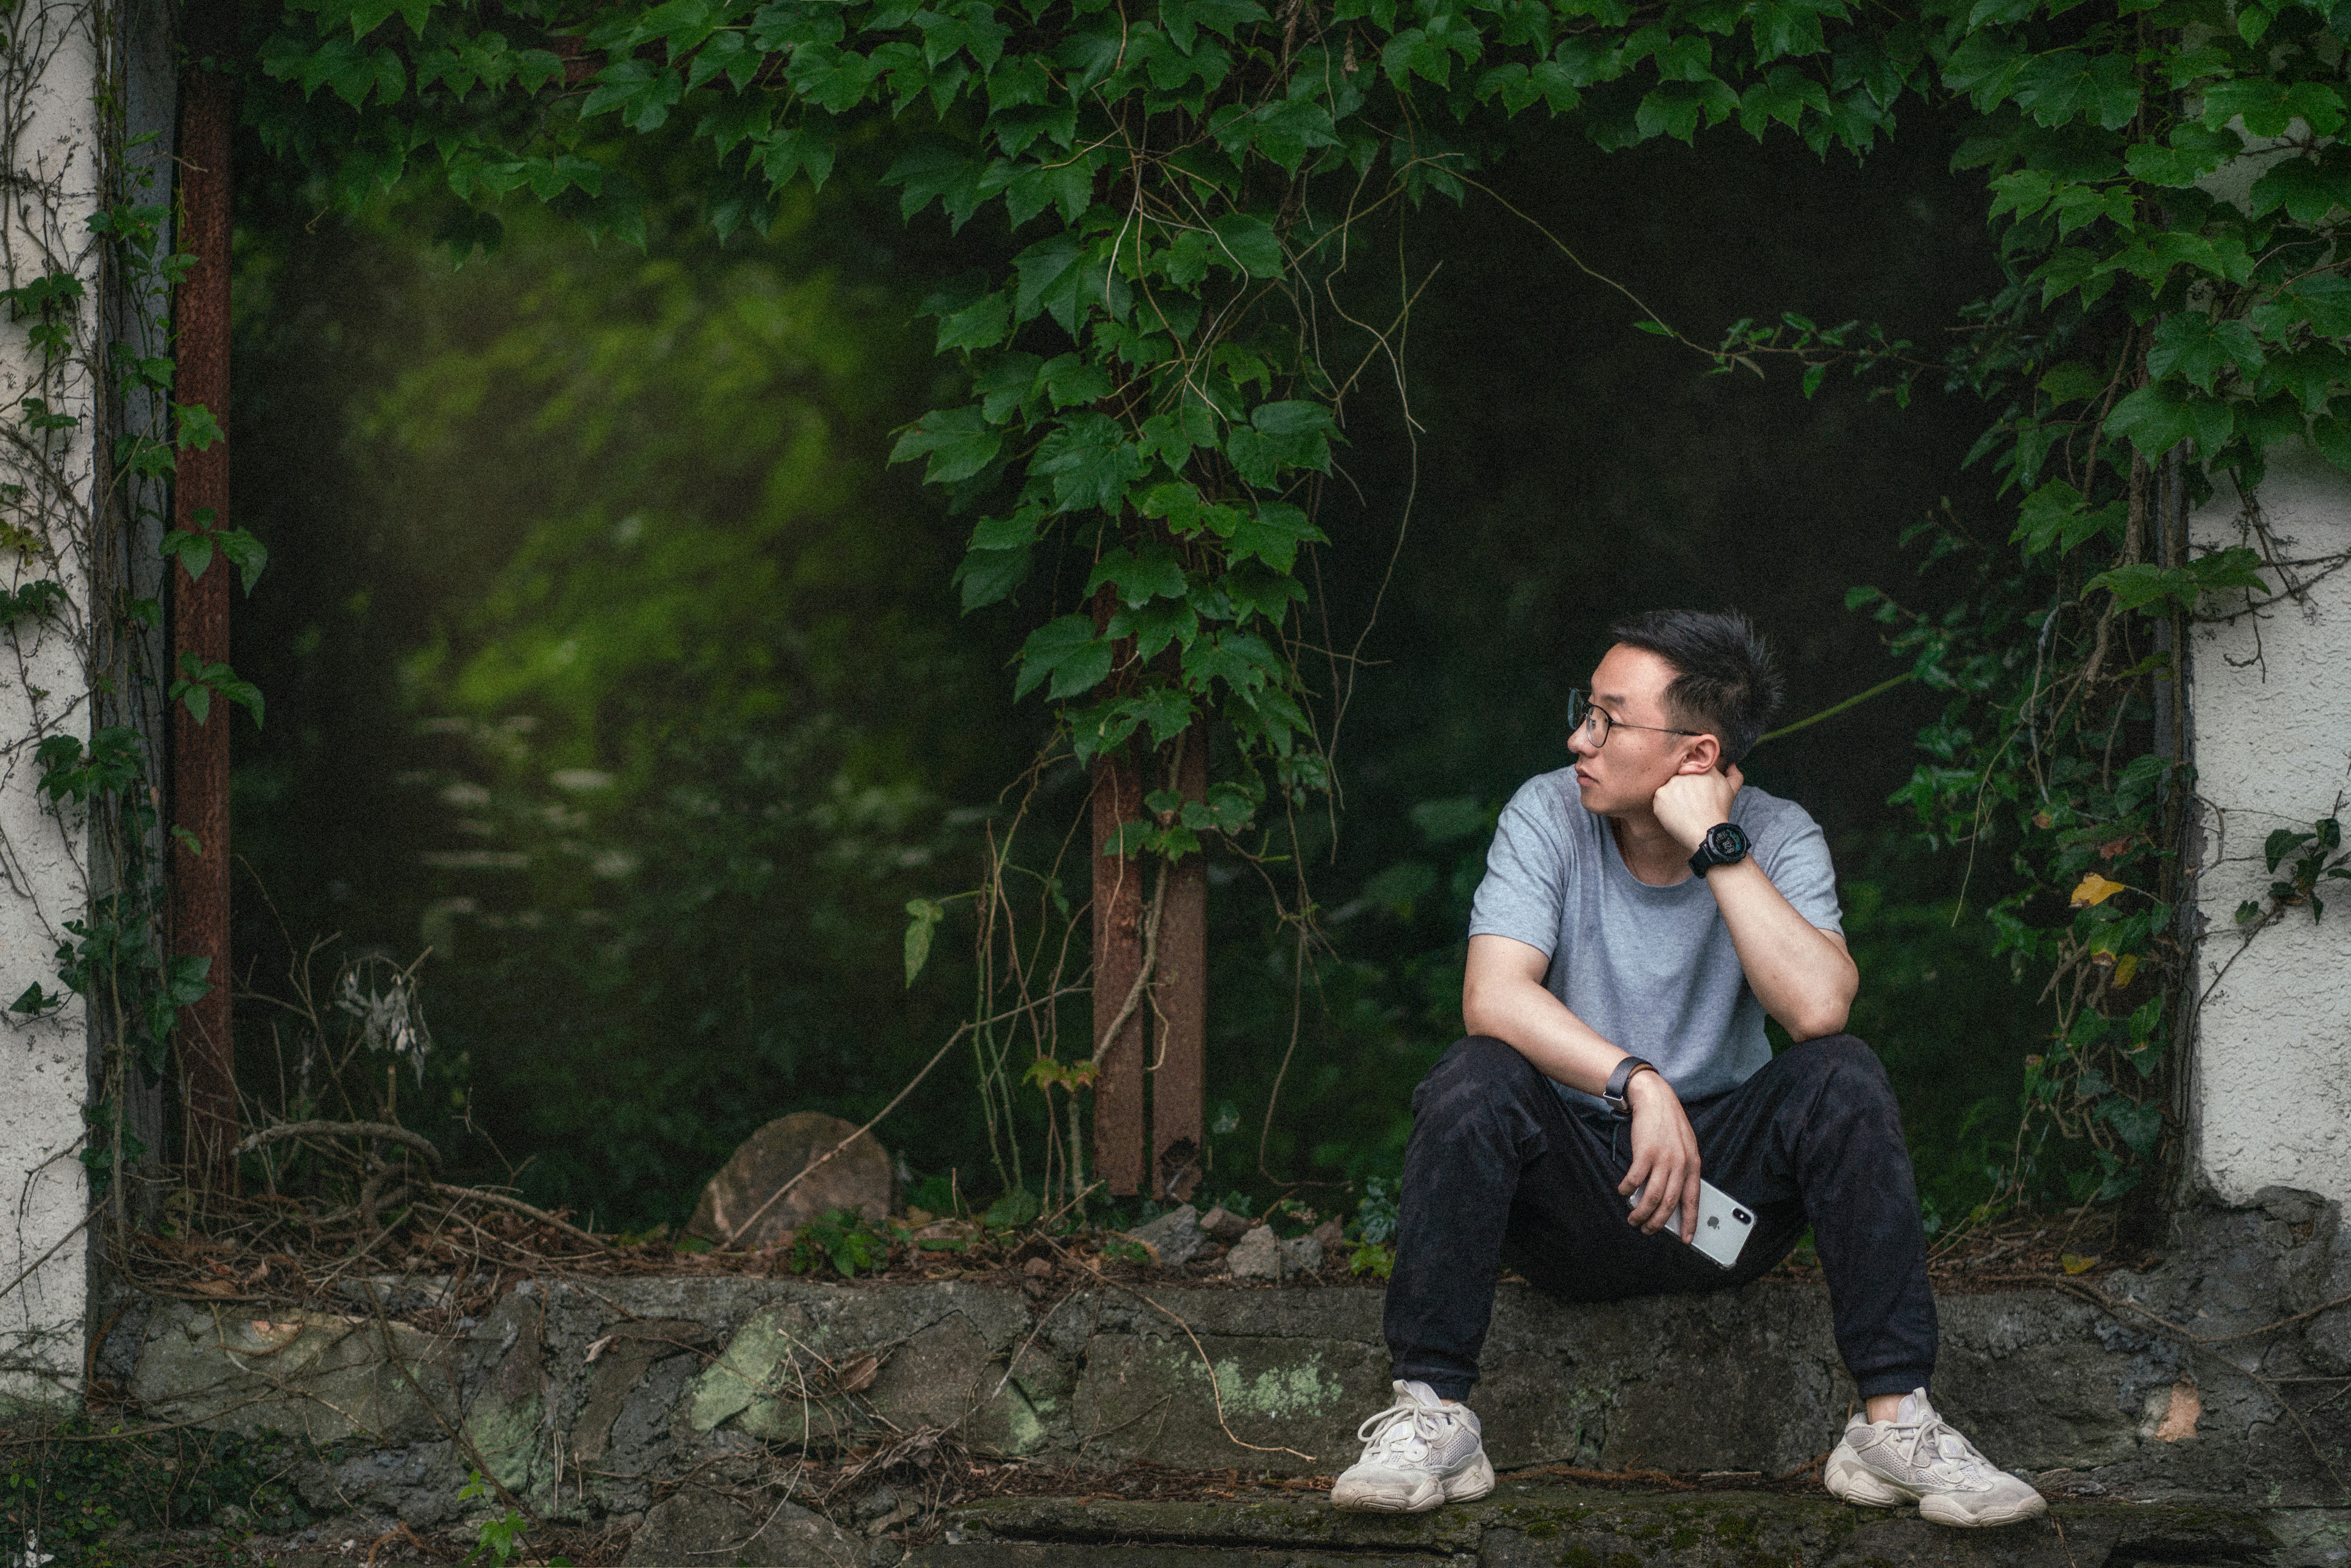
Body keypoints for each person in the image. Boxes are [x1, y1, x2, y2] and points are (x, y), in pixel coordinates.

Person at [1329, 610, 2044, 1529]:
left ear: (1696, 755)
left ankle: (1895, 1426)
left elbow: (1818, 1009)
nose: (1577, 739)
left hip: (1722, 1212)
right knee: (1476, 1076)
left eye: (1607, 720)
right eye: (1585, 714)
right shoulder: (1547, 812)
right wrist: (1637, 1081)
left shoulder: (1777, 835)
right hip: (1576, 1200)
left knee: (1842, 1074)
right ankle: (1432, 1415)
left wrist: (1719, 847)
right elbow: (1493, 996)